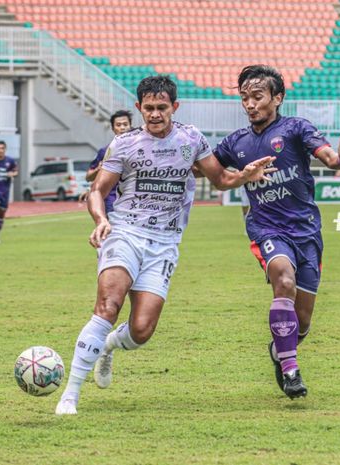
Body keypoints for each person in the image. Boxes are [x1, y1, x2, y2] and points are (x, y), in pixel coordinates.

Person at [55, 75, 275, 415]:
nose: (155, 114)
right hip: (125, 231)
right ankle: (69, 394)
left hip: (165, 242)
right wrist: (101, 221)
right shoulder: (125, 144)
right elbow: (98, 190)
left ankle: (108, 347)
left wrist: (244, 175)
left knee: (142, 330)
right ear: (139, 108)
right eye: (148, 108)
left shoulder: (191, 140)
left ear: (175, 107)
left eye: (161, 108)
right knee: (108, 304)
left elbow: (220, 180)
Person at [212, 65, 340, 399]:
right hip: (266, 228)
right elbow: (206, 168)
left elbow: (329, 157)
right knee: (283, 279)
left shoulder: (296, 128)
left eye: (257, 96)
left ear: (277, 97)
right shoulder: (235, 143)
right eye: (244, 98)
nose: (250, 104)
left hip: (306, 232)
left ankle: (280, 350)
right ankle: (291, 371)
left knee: (302, 324)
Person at [82, 110, 133, 213]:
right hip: (111, 201)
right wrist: (98, 169)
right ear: (113, 128)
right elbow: (88, 177)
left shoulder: (139, 149)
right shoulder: (105, 151)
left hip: (133, 201)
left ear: (130, 126)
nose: (122, 128)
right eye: (118, 125)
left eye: (125, 124)